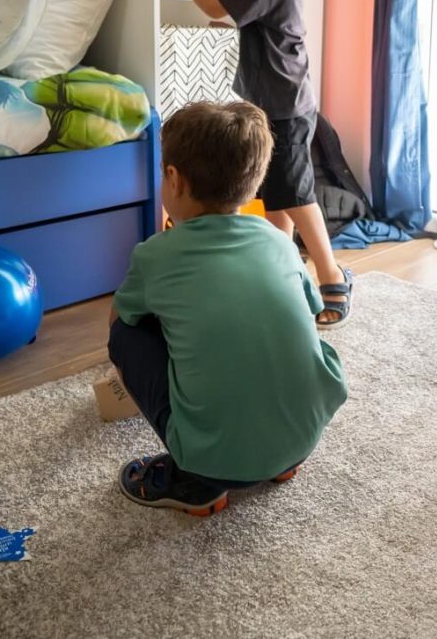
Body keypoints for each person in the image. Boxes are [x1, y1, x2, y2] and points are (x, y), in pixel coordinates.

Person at [108, 101, 348, 516]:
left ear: (173, 180)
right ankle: (280, 460)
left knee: (125, 335)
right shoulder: (280, 242)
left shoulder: (155, 256)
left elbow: (120, 318)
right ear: (253, 183)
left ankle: (196, 481)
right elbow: (307, 312)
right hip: (305, 436)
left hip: (216, 461)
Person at [160, 0, 354, 326]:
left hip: (283, 105)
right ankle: (283, 277)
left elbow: (217, 10)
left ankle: (332, 277)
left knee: (296, 196)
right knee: (276, 199)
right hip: (277, 100)